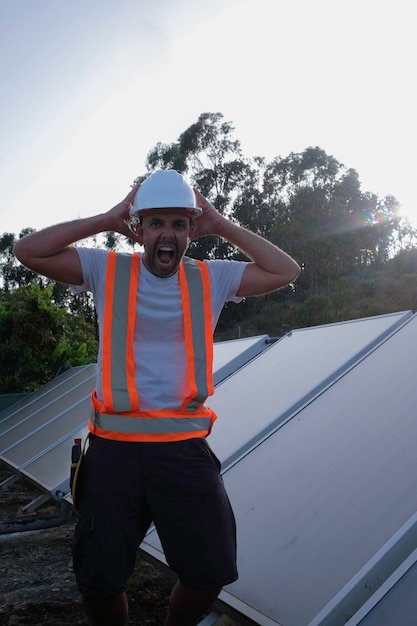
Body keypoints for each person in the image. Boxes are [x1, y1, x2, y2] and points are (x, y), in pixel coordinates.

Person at [13, 169, 300, 626]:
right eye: (156, 223)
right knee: (98, 579)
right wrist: (107, 218)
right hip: (112, 453)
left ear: (191, 231)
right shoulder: (106, 269)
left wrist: (221, 223)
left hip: (184, 453)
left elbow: (286, 270)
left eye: (179, 224)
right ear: (140, 229)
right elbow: (25, 251)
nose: (168, 234)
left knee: (211, 569)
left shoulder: (212, 278)